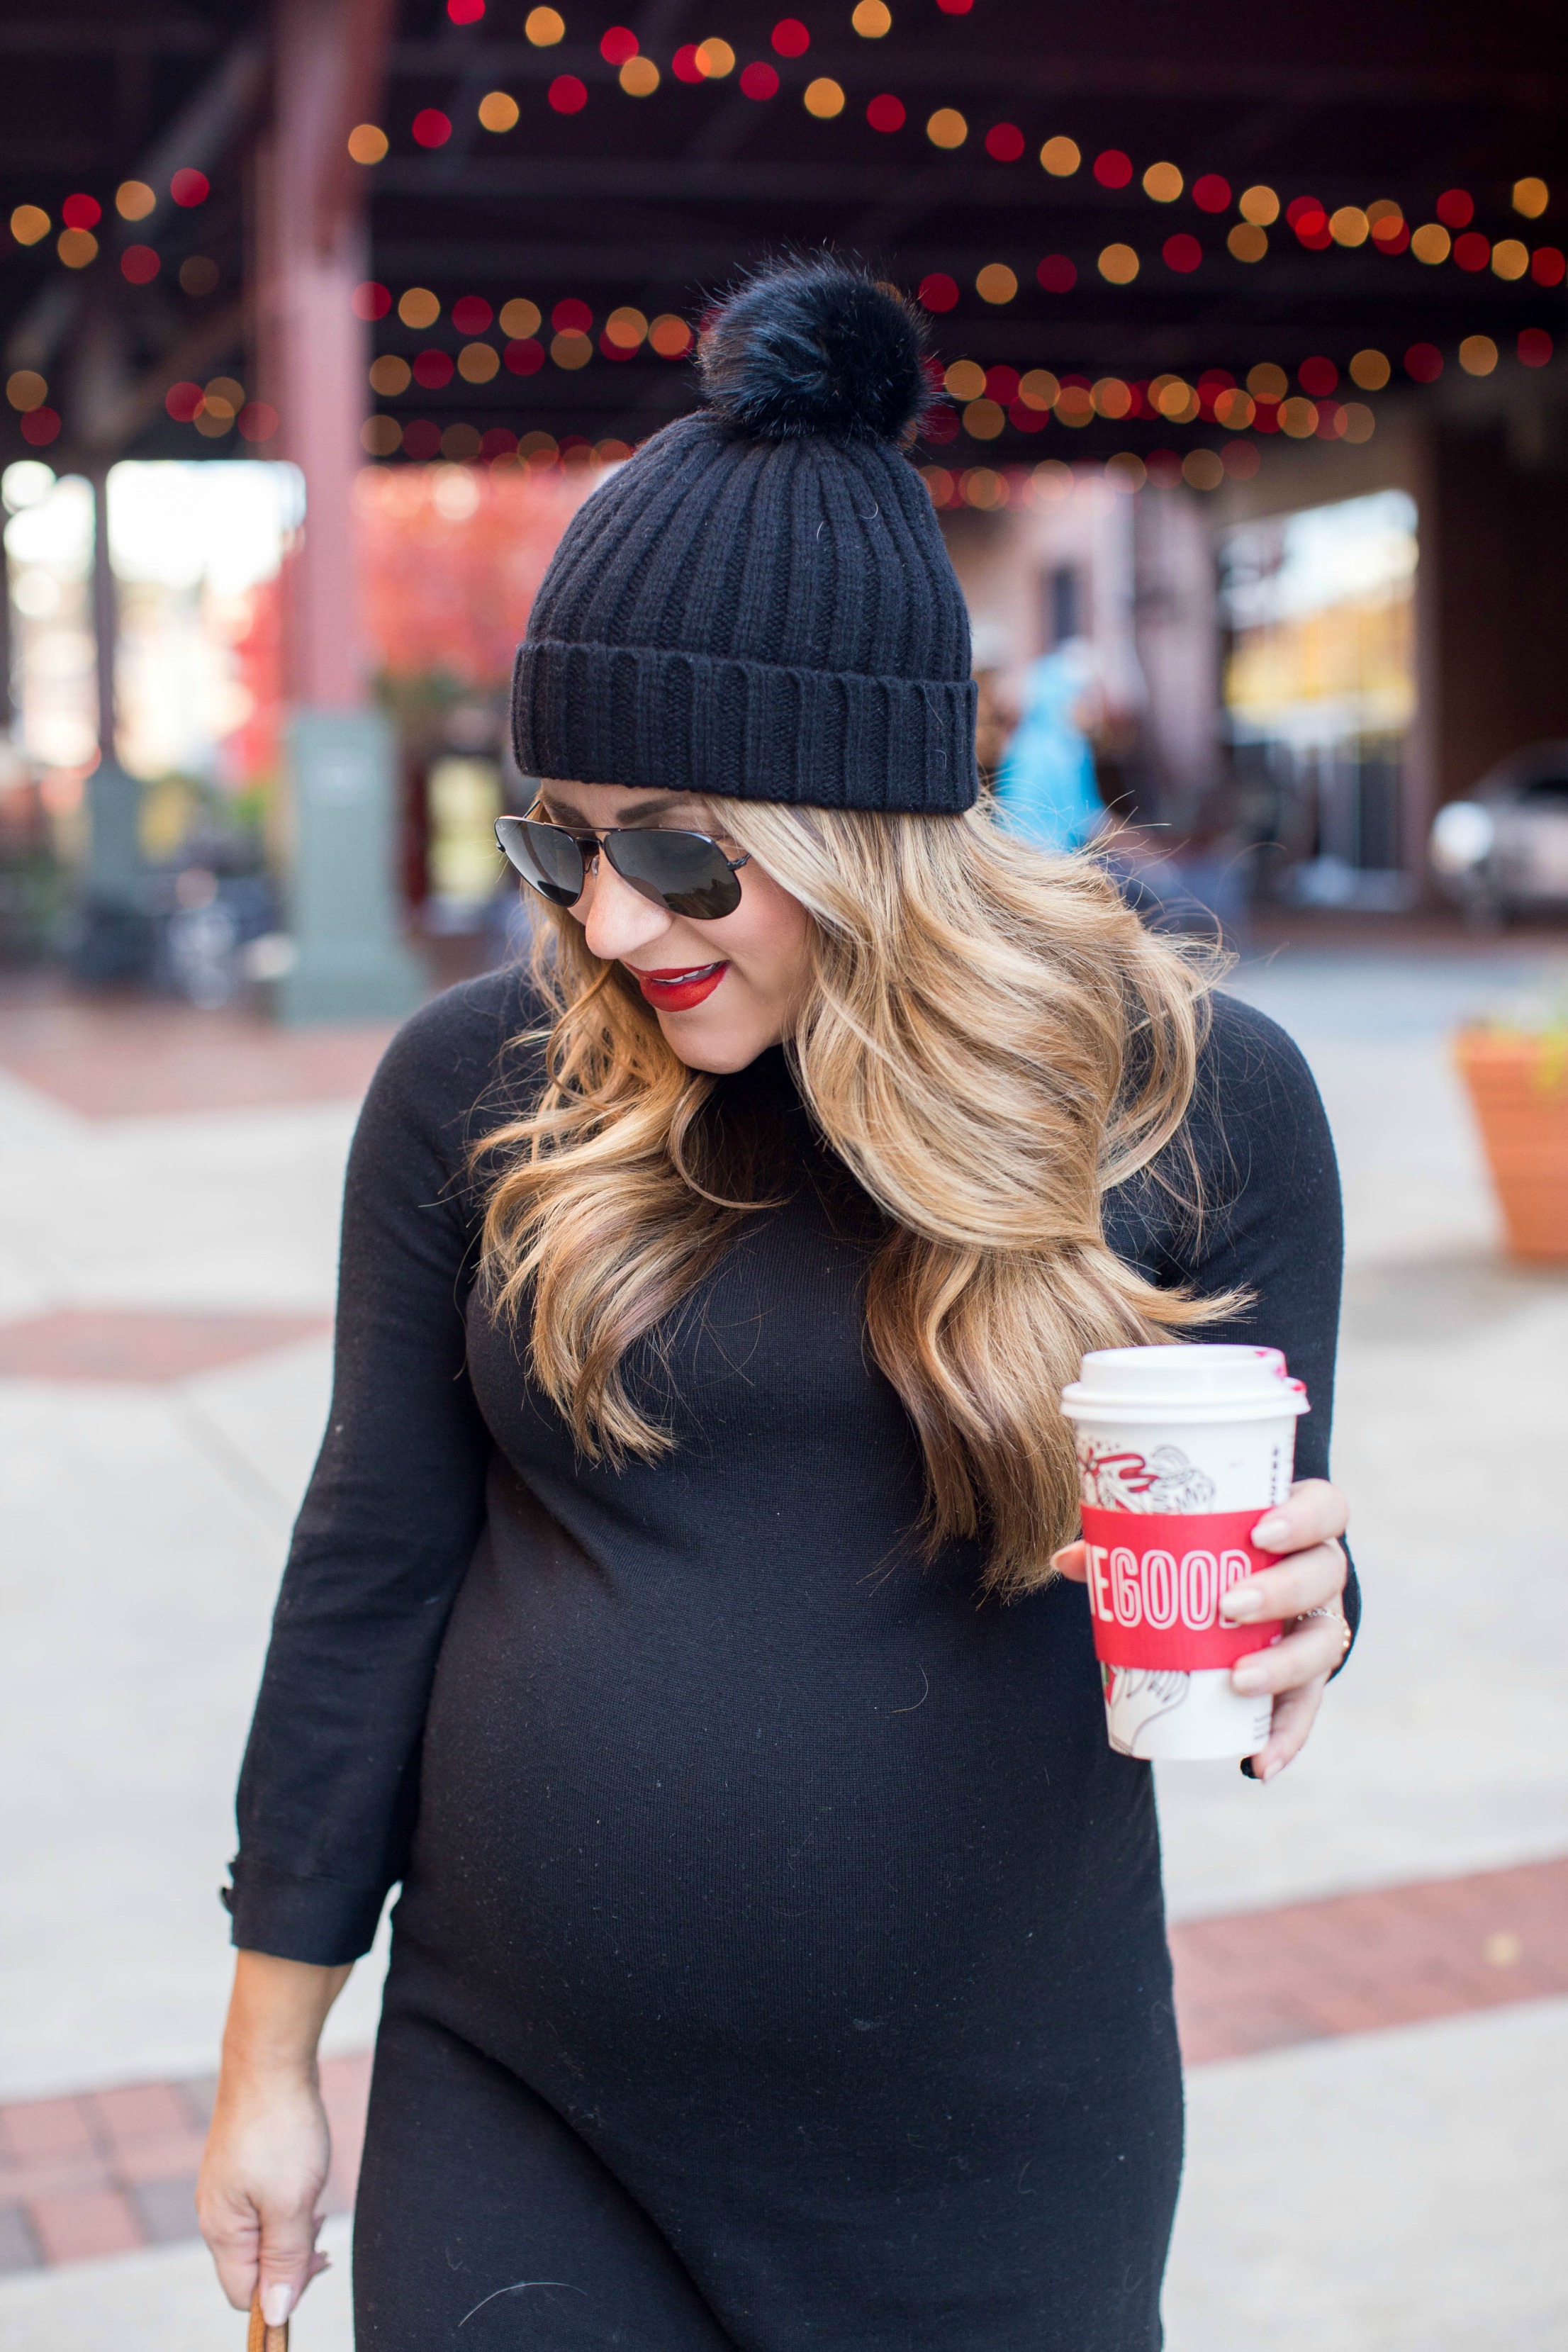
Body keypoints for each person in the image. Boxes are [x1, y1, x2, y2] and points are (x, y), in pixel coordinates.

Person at [197, 262, 1355, 2351]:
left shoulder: (1184, 1103)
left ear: (870, 826)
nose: (610, 919)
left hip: (988, 2149)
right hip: (516, 2103)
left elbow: (1266, 1560)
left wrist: (1311, 1613)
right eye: (563, 843)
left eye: (685, 856)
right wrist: (269, 2059)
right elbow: (367, 1568)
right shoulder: (477, 1090)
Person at [991, 637, 1108, 853]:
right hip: (1043, 867)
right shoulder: (1058, 751)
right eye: (1085, 697)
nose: (1093, 708)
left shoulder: (1033, 743)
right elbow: (1086, 822)